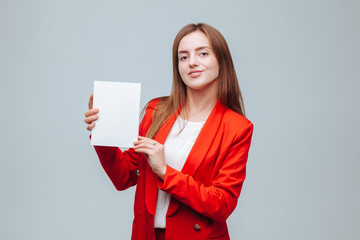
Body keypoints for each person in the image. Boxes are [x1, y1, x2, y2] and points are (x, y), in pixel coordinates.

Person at [84, 23, 253, 240]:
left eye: (203, 53)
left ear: (221, 60)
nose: (192, 62)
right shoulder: (157, 111)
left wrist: (165, 171)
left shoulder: (236, 128)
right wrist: (102, 132)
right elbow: (124, 177)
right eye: (183, 57)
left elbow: (221, 205)